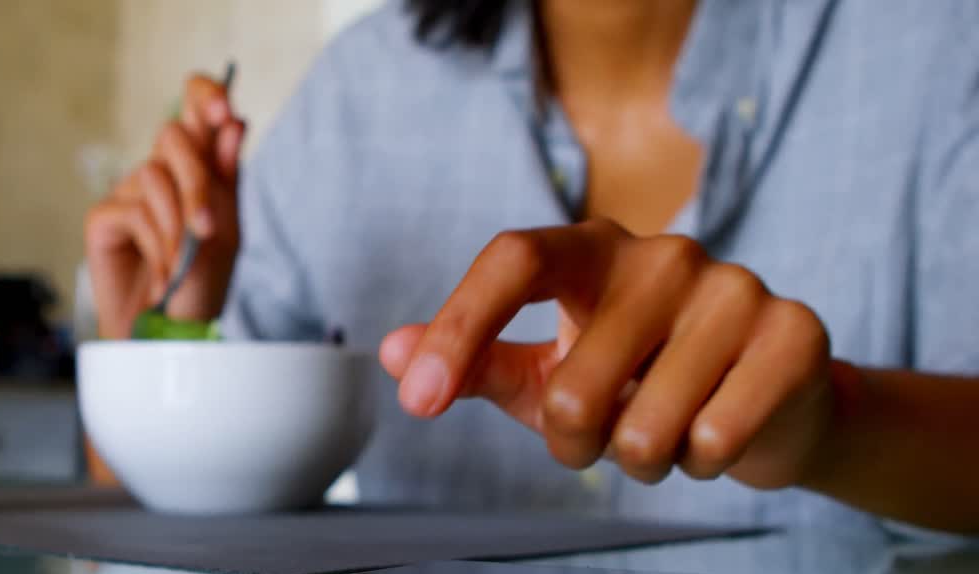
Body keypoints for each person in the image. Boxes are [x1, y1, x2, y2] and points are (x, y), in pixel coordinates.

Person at [85, 0, 979, 533]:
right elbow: (131, 497)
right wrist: (170, 321)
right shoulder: (357, 94)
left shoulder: (935, 47)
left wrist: (834, 422)